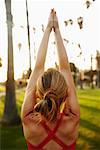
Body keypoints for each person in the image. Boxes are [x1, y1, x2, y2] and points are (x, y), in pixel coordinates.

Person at [21, 9, 80, 150]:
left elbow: (37, 68)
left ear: (37, 93)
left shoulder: (29, 120)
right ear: (66, 93)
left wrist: (48, 29)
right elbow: (65, 68)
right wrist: (57, 30)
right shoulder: (72, 119)